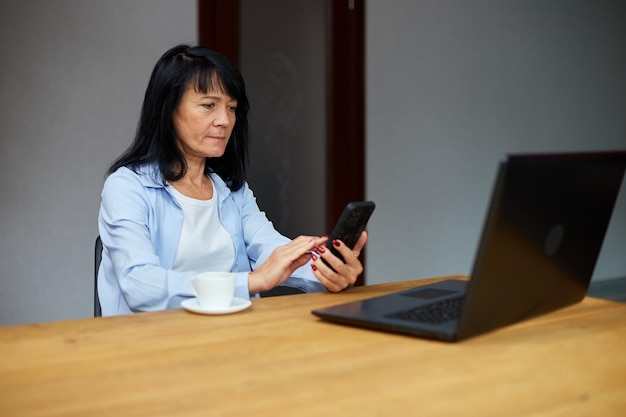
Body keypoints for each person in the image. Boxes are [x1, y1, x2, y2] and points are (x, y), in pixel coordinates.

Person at [97, 44, 368, 315]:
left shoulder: (231, 191)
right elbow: (140, 286)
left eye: (231, 107)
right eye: (208, 105)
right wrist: (252, 281)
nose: (224, 120)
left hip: (232, 338)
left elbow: (273, 250)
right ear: (168, 109)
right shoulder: (127, 187)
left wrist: (328, 272)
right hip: (149, 345)